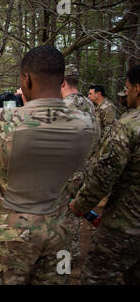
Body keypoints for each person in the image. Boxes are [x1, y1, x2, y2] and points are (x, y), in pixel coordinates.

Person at [0, 45, 99, 285]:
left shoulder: (0, 120)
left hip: (11, 232)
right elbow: (86, 158)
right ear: (62, 81)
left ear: (26, 79)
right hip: (60, 231)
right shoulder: (87, 121)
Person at [69, 65, 140, 284]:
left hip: (125, 226)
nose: (125, 93)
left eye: (127, 88)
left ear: (137, 88)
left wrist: (79, 205)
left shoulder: (128, 127)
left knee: (95, 278)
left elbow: (103, 176)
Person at [60, 64, 100, 264]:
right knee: (74, 213)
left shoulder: (63, 106)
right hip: (85, 167)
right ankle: (71, 255)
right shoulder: (89, 104)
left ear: (63, 82)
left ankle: (65, 262)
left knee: (64, 217)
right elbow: (97, 134)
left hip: (66, 170)